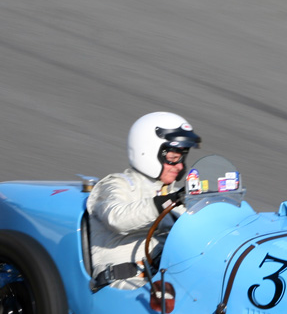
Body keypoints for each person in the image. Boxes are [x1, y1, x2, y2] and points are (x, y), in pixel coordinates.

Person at [86, 111, 201, 290]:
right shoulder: (117, 184)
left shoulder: (175, 194)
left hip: (165, 277)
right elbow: (116, 219)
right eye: (173, 157)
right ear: (148, 151)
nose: (179, 166)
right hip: (127, 282)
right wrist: (166, 202)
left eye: (182, 157)